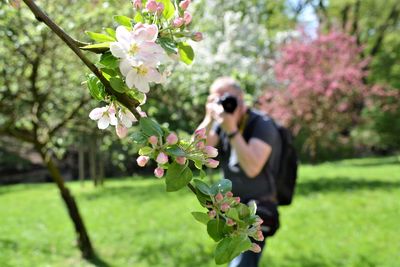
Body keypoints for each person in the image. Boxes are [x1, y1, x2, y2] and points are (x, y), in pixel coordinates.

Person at [197, 77, 281, 267]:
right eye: (216, 99)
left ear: (242, 100)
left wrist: (232, 130)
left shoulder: (262, 124)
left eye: (228, 98)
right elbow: (194, 152)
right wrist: (208, 119)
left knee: (241, 262)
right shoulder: (219, 123)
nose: (223, 104)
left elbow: (252, 168)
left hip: (256, 209)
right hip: (230, 207)